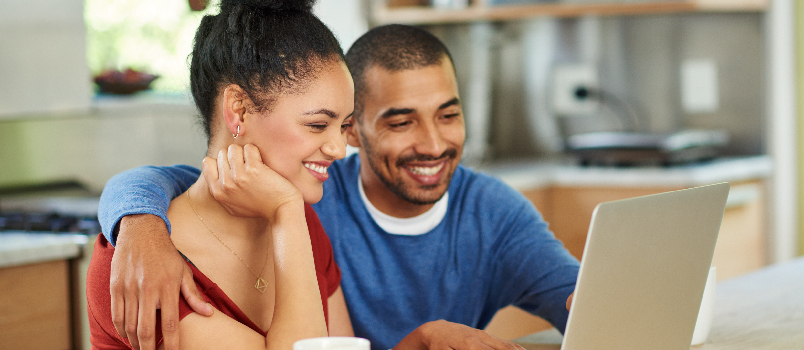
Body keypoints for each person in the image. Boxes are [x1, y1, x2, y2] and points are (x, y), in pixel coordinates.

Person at [98, 24, 580, 350]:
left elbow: (585, 300)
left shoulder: (492, 212)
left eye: (449, 114)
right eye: (401, 121)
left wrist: (421, 341)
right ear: (358, 130)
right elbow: (185, 177)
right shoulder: (309, 199)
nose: (433, 143)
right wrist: (137, 219)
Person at [85, 0, 356, 349]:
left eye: (344, 125)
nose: (339, 148)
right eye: (318, 124)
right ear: (238, 110)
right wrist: (286, 212)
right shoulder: (140, 266)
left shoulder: (301, 226)